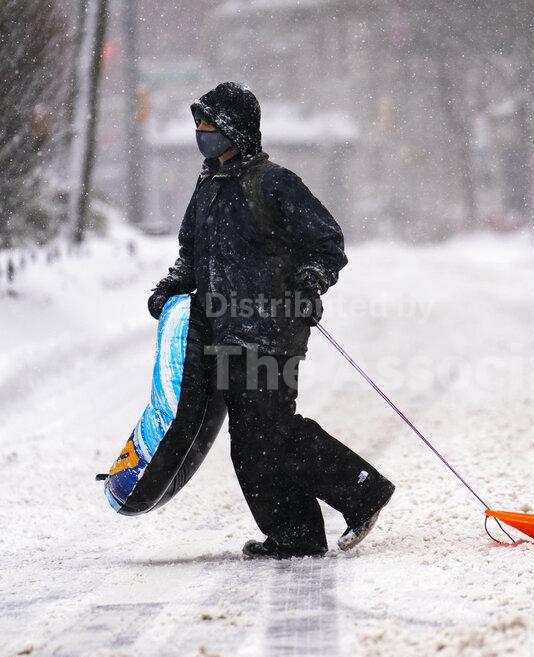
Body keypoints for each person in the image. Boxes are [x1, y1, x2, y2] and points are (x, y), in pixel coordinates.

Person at [147, 82, 394, 559]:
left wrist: (308, 283)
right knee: (250, 446)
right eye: (198, 127)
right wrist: (170, 288)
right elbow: (190, 257)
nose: (202, 135)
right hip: (221, 334)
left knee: (273, 432)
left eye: (210, 127)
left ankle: (362, 491)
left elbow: (327, 244)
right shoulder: (207, 189)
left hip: (271, 333)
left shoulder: (276, 184)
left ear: (236, 131)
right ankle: (295, 535)